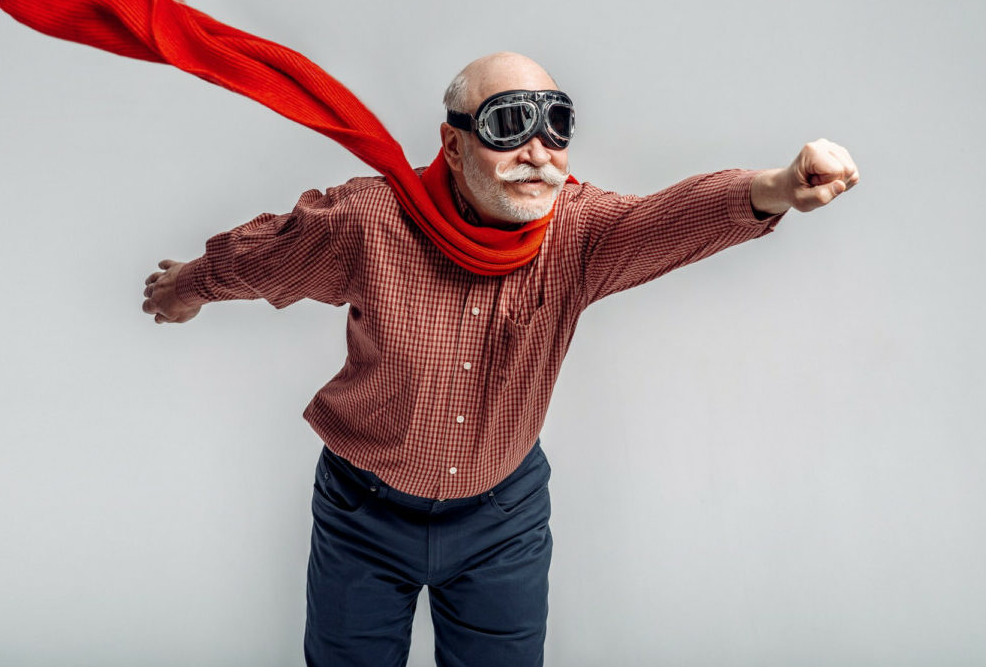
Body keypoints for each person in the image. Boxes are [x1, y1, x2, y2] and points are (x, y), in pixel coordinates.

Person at [141, 51, 859, 667]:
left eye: (556, 126)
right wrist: (186, 287)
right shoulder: (372, 222)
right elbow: (272, 251)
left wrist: (778, 188)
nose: (538, 152)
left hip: (501, 520)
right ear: (453, 146)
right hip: (365, 512)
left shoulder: (580, 233)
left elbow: (668, 218)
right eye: (509, 126)